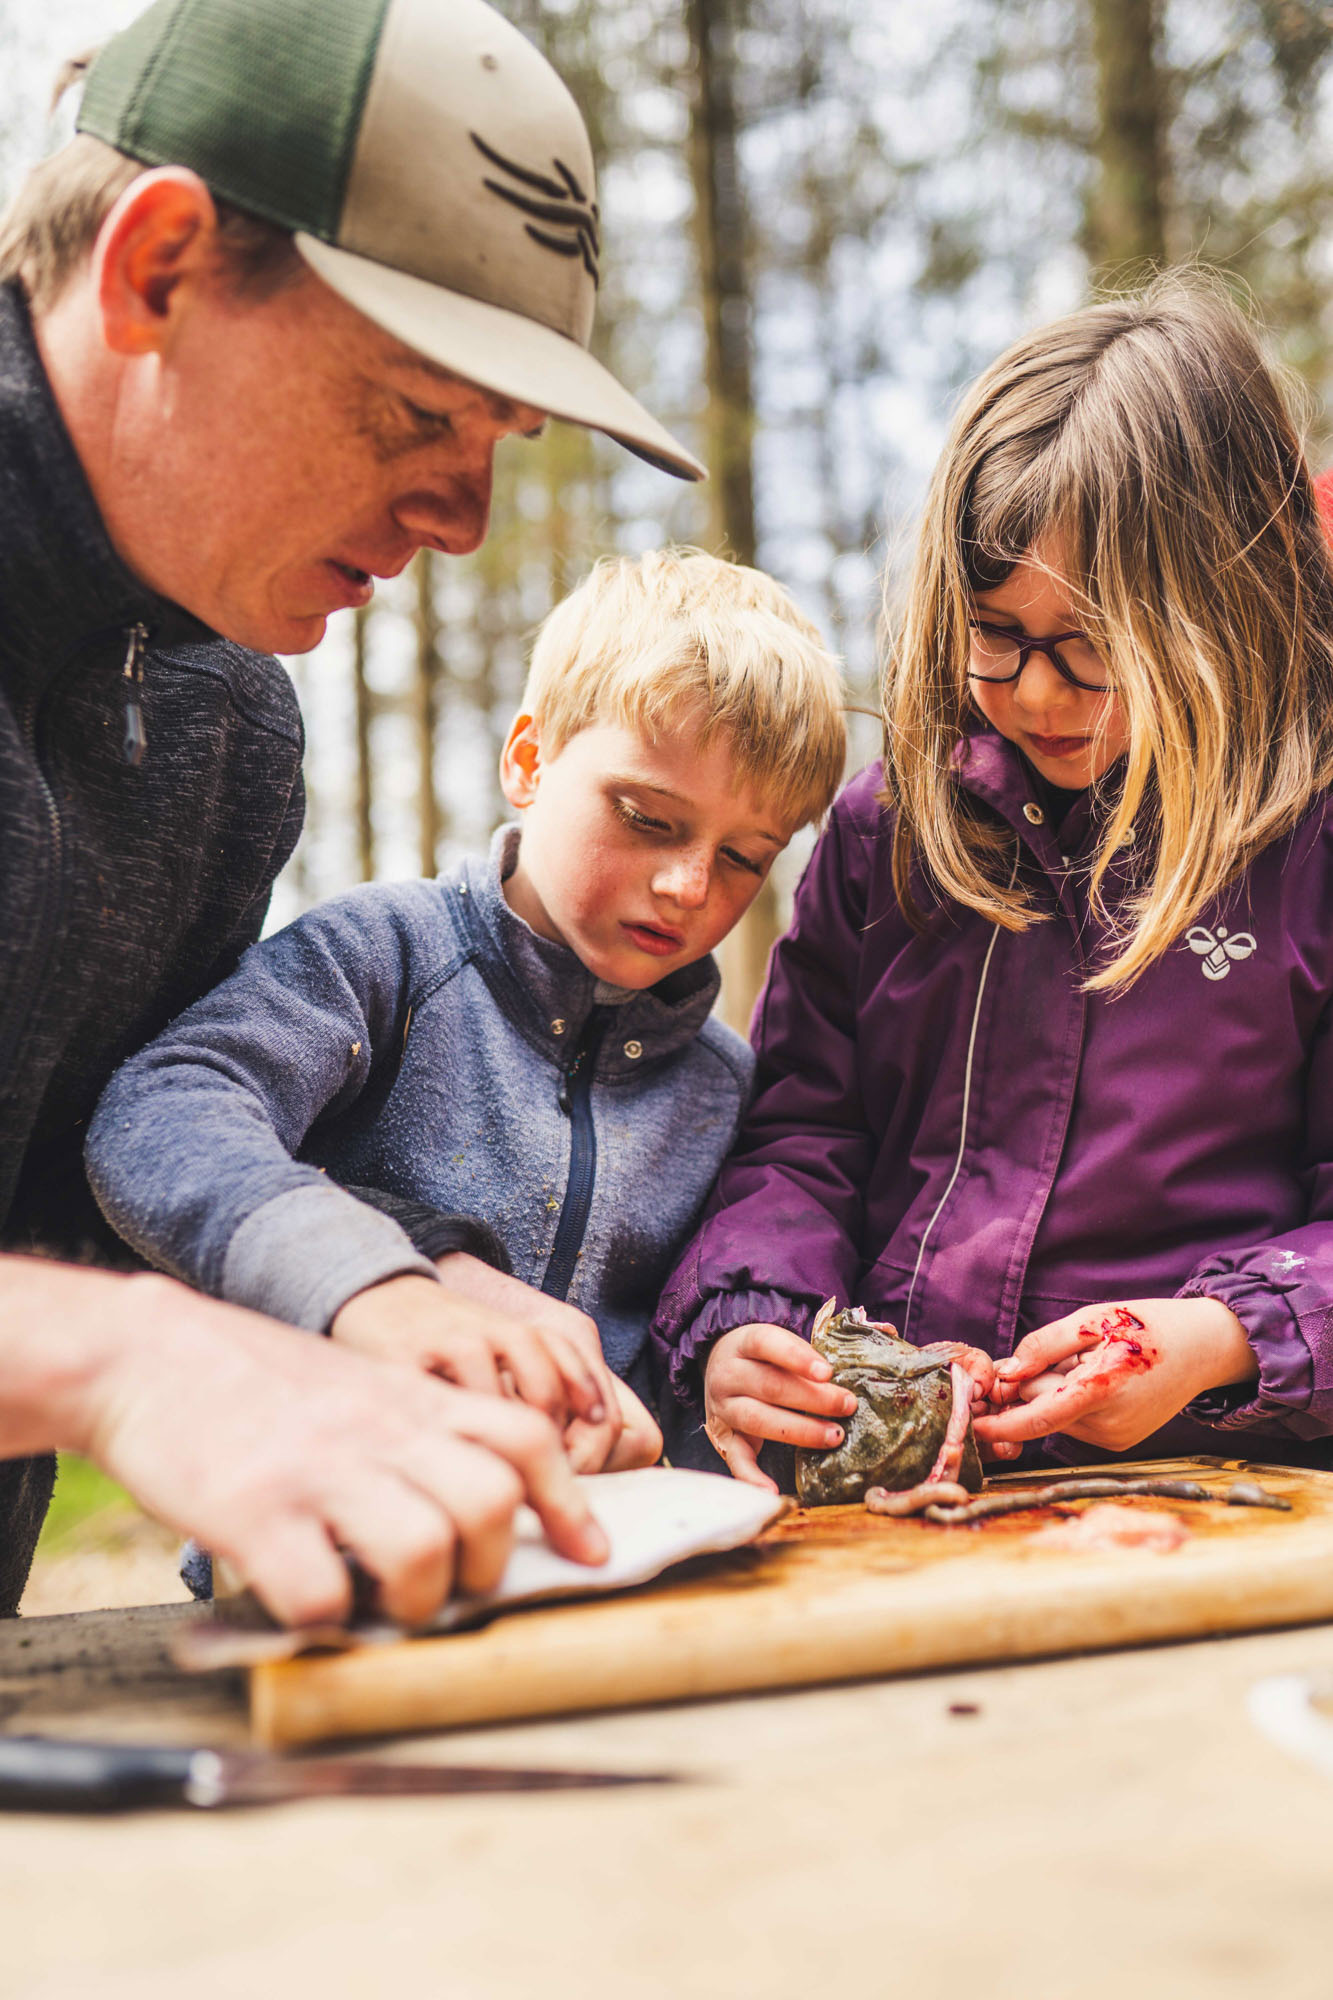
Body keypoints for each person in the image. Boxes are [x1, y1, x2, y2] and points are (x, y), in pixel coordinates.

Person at [0, 0, 700, 1616]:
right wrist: (126, 1357)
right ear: (158, 266)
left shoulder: (220, 726)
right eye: (414, 412)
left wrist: (387, 1284)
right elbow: (104, 1337)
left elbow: (98, 1199)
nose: (463, 520)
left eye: (498, 442)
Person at [652, 277, 1333, 1492]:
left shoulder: (1307, 840)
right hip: (907, 1489)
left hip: (1221, 1486)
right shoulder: (893, 828)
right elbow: (806, 1131)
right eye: (993, 633)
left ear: (1227, 607)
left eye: (1089, 647)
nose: (1031, 692)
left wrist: (1215, 1338)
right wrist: (753, 1313)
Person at [84, 551, 847, 1569]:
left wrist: (702, 1390)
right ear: (528, 760)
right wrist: (398, 1278)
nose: (686, 882)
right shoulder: (384, 957)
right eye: (646, 817)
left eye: (746, 855)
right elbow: (160, 1108)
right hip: (326, 1556)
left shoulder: (724, 1086)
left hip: (595, 1574)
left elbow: (675, 1362)